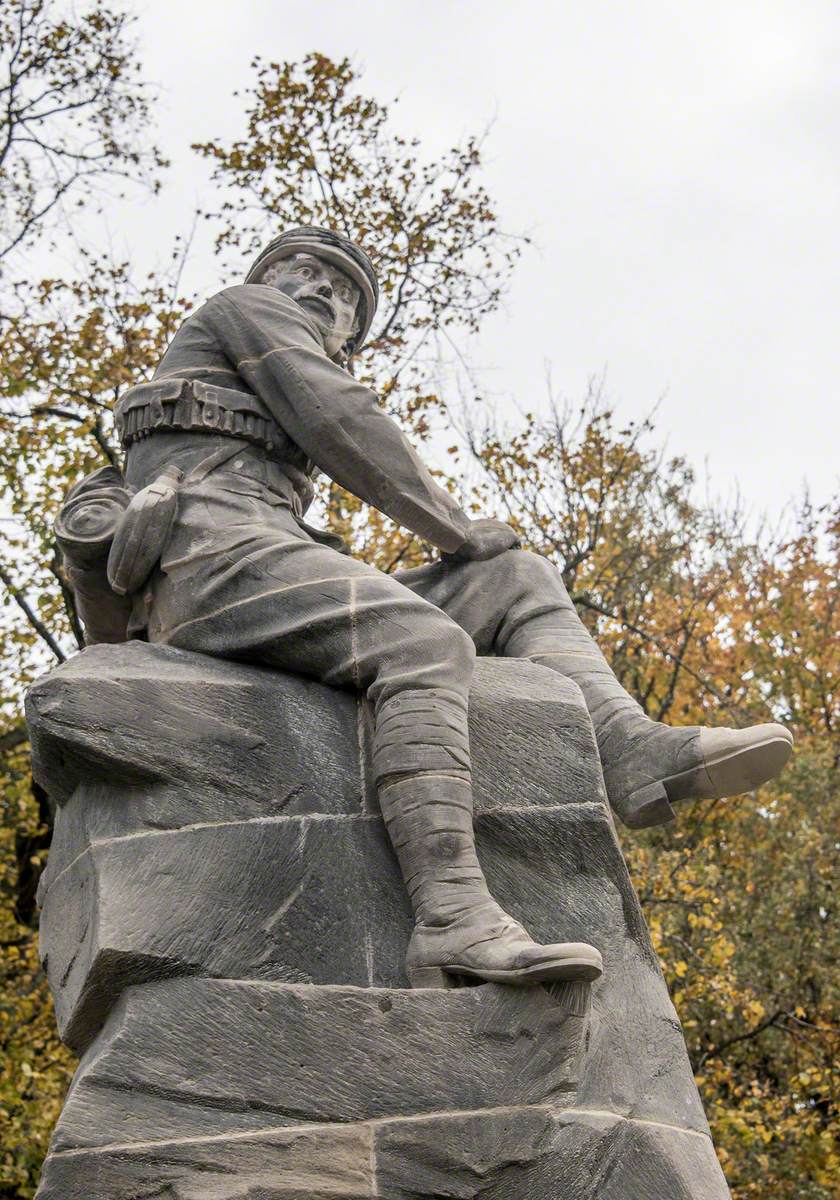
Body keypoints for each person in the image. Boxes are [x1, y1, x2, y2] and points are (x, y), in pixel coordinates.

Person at [113, 225, 792, 989]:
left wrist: (470, 549)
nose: (320, 293)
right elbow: (341, 421)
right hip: (212, 557)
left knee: (516, 578)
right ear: (267, 276)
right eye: (306, 272)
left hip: (271, 551)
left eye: (343, 298)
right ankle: (453, 918)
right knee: (421, 640)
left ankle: (629, 747)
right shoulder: (246, 310)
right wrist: (452, 527)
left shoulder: (260, 348)